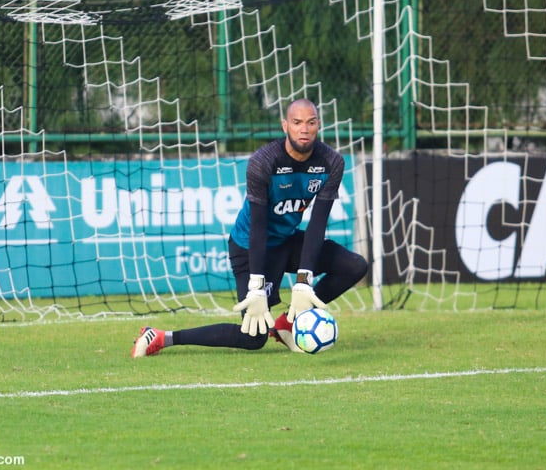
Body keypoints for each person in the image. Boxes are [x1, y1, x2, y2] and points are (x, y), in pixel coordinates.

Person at [131, 98, 368, 357]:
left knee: (354, 266)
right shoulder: (263, 162)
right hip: (251, 247)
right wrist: (256, 285)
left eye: (310, 123)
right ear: (285, 125)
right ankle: (162, 337)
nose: (304, 129)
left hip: (287, 241)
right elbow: (258, 225)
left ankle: (288, 323)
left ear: (318, 125)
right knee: (253, 338)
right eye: (297, 122)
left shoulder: (332, 162)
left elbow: (317, 224)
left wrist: (303, 281)